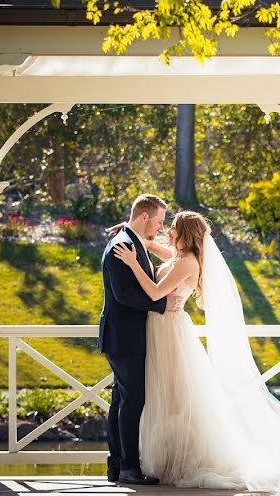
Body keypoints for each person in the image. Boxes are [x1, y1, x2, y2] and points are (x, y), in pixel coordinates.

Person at [111, 211, 280, 495]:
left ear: (185, 235)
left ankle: (182, 459)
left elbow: (154, 292)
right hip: (158, 329)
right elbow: (163, 252)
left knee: (178, 397)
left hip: (169, 331)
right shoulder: (180, 256)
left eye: (173, 229)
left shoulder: (187, 262)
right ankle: (162, 457)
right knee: (164, 396)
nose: (167, 232)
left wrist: (132, 262)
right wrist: (138, 236)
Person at [98, 193, 169, 485]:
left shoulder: (131, 240)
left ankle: (117, 466)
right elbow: (123, 294)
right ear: (144, 217)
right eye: (159, 222)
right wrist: (160, 304)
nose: (160, 228)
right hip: (124, 338)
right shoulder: (122, 245)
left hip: (125, 336)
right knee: (133, 401)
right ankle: (128, 467)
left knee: (121, 401)